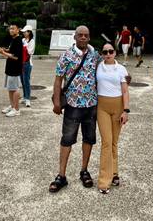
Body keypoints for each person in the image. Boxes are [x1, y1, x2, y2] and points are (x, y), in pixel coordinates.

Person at [49, 26, 101, 193]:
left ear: (89, 37)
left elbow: (106, 70)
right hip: (72, 105)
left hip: (91, 105)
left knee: (89, 139)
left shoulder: (95, 55)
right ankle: (61, 175)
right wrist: (57, 102)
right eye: (80, 35)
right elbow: (58, 80)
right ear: (75, 37)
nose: (83, 38)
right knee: (67, 139)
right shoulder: (66, 55)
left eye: (86, 35)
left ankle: (84, 170)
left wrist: (123, 77)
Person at [96, 43, 129, 194]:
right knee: (106, 142)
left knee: (114, 142)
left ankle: (114, 173)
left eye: (110, 51)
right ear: (101, 53)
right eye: (105, 52)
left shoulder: (121, 69)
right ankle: (104, 180)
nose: (108, 54)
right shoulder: (98, 67)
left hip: (118, 106)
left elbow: (125, 91)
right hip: (102, 106)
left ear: (115, 53)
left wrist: (126, 110)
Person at [0, 24, 23, 117]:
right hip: (10, 68)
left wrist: (3, 52)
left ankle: (16, 109)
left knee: (15, 89)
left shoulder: (19, 40)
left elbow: (15, 56)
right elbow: (12, 51)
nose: (11, 30)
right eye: (10, 28)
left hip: (15, 68)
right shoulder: (14, 40)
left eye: (13, 28)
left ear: (18, 30)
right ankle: (12, 106)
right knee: (10, 88)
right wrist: (5, 50)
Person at [21, 25, 35, 107]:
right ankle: (24, 96)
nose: (23, 33)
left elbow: (30, 52)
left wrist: (25, 45)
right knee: (22, 81)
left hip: (27, 63)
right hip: (20, 63)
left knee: (26, 81)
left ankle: (28, 99)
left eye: (25, 32)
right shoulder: (23, 40)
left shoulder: (31, 41)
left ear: (29, 32)